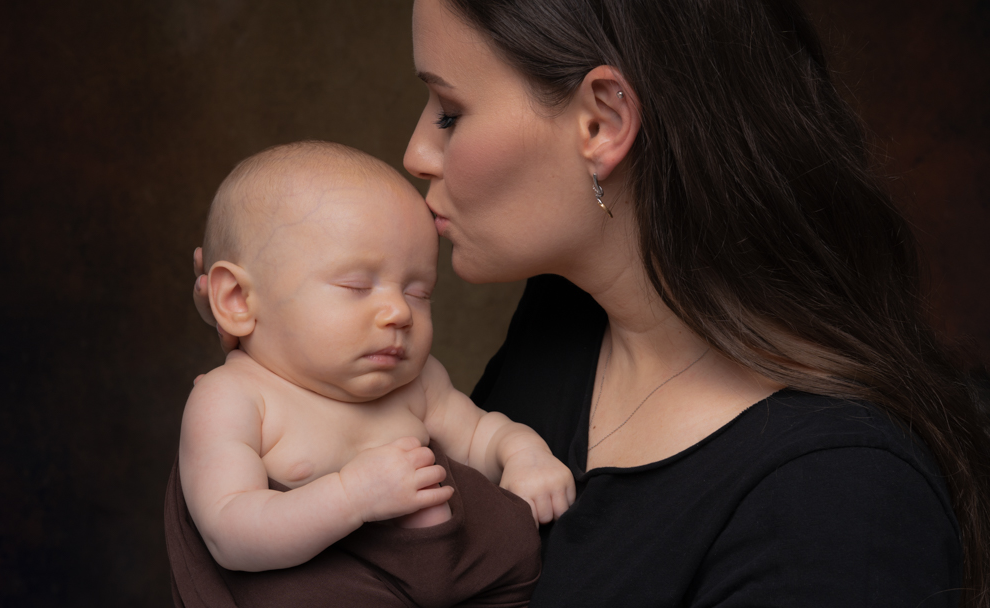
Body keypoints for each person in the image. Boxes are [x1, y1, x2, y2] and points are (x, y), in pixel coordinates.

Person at [193, 0, 990, 606]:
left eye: (449, 110)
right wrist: (270, 335)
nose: (415, 152)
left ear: (601, 123)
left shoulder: (842, 503)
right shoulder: (562, 327)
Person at [168, 141, 573, 608]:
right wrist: (350, 497)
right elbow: (229, 531)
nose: (399, 312)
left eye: (420, 293)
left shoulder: (417, 384)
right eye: (357, 286)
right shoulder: (235, 398)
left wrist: (526, 455)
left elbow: (482, 435)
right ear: (237, 300)